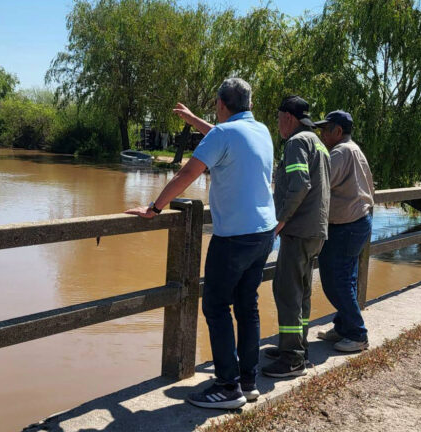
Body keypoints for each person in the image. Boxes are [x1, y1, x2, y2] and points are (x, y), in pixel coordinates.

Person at [126, 78, 277, 409]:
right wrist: (195, 120)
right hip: (264, 233)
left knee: (215, 306)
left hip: (235, 237)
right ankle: (248, 381)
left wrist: (154, 208)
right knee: (247, 305)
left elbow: (186, 175)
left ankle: (227, 387)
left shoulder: (223, 134)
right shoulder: (261, 131)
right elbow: (226, 139)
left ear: (222, 105)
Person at [262, 96, 330, 378]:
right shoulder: (319, 144)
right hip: (316, 229)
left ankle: (292, 359)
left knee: (287, 292)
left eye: (278, 118)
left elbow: (300, 183)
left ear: (288, 117)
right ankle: (296, 346)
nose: (277, 124)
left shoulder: (296, 143)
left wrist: (280, 220)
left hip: (298, 230)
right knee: (301, 292)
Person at [314, 110, 374, 352]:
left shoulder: (340, 152)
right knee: (346, 278)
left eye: (325, 129)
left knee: (334, 280)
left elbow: (320, 182)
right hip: (358, 221)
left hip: (346, 225)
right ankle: (343, 326)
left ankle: (358, 334)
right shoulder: (353, 149)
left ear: (338, 131)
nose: (321, 134)